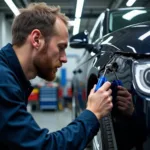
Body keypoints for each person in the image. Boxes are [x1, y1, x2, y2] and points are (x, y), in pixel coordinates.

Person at [0, 2, 113, 150]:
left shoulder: (10, 78)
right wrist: (93, 113)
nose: (65, 58)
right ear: (36, 40)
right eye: (61, 47)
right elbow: (44, 147)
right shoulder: (3, 83)